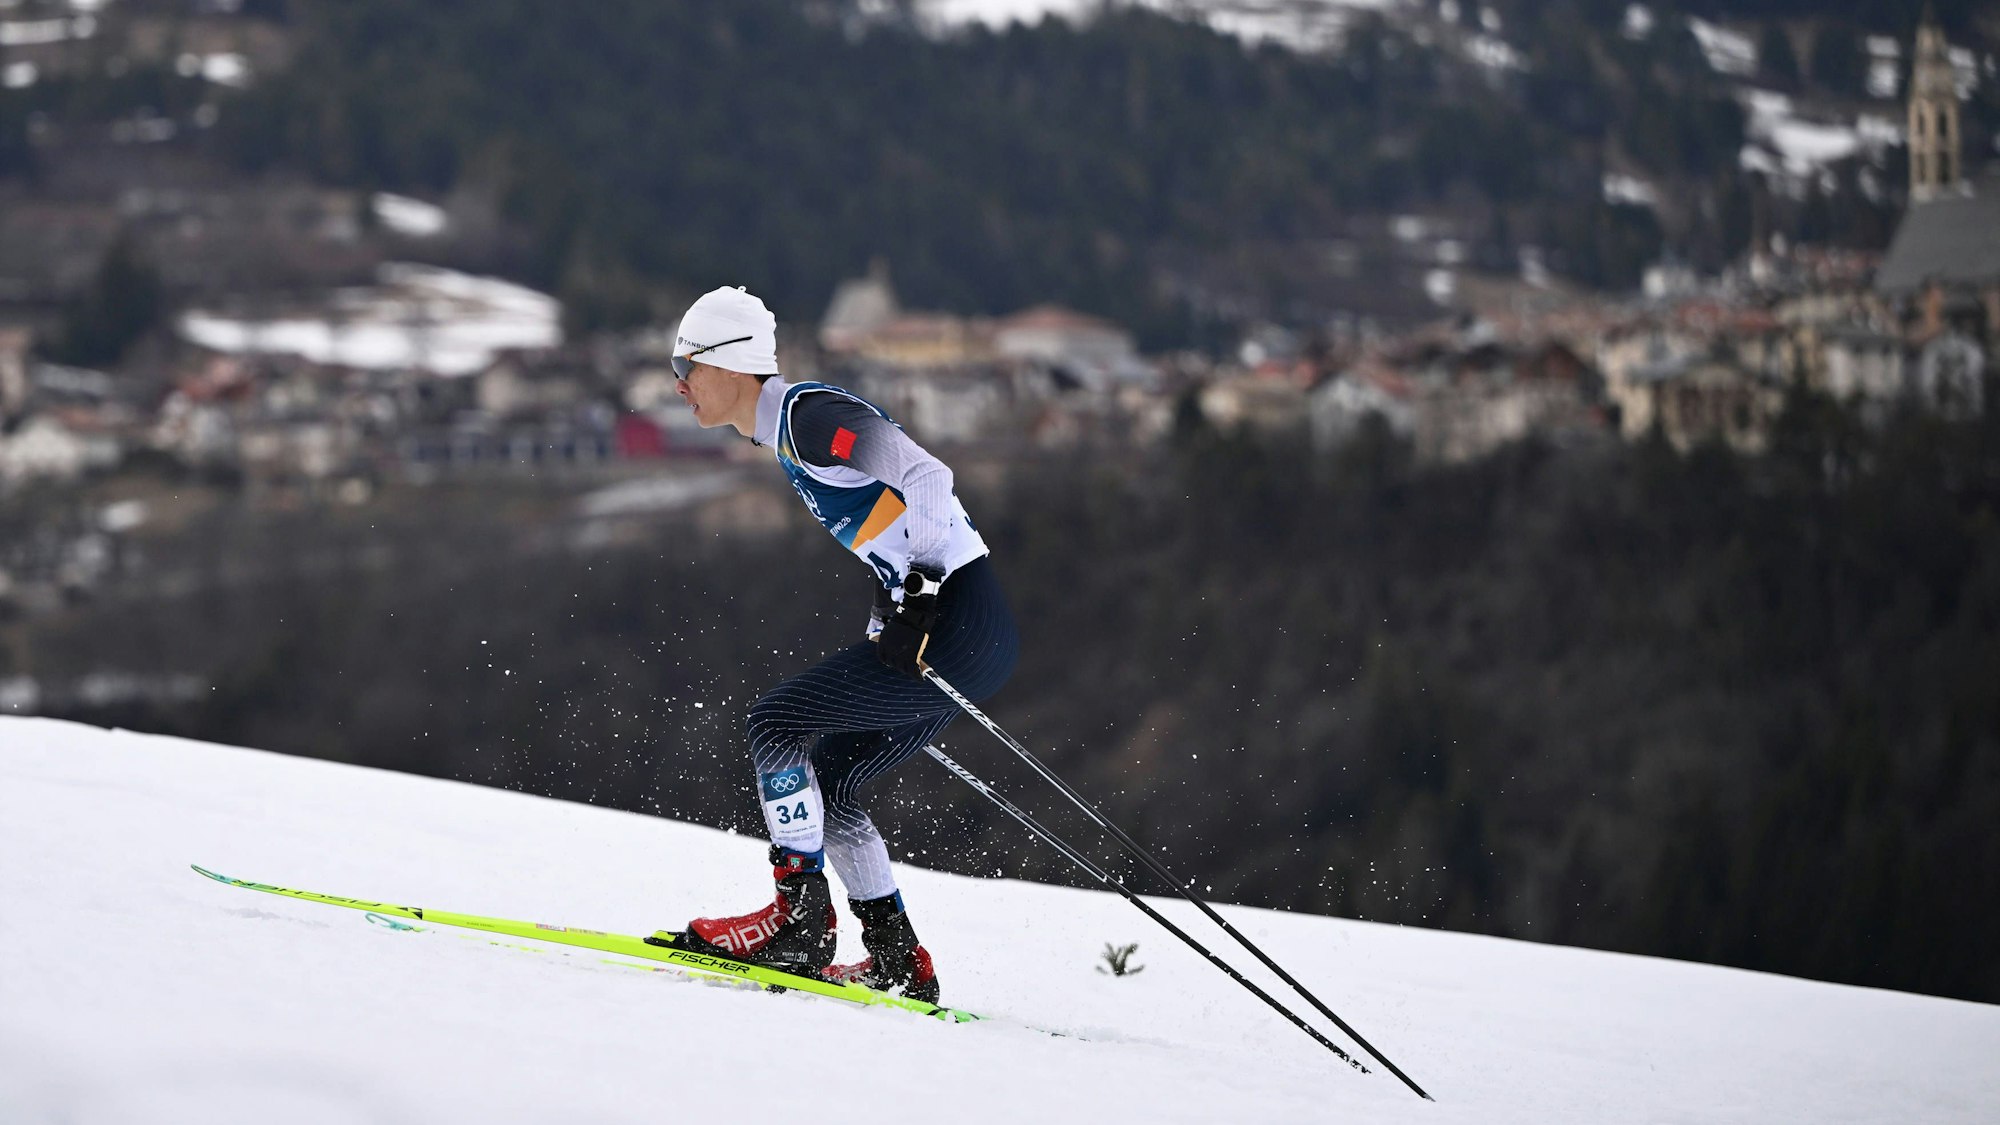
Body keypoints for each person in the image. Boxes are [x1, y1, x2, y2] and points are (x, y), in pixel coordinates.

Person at [646, 285, 1017, 1002]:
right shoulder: (787, 435)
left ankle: (799, 920)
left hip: (963, 620)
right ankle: (897, 958)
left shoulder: (808, 416)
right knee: (834, 779)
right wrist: (894, 608)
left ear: (729, 364)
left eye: (685, 363)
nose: (679, 383)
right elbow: (897, 527)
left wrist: (928, 586)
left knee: (775, 725)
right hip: (970, 629)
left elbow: (927, 475)